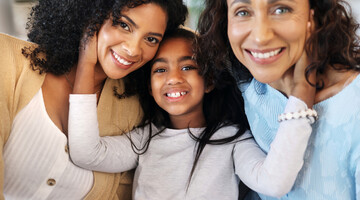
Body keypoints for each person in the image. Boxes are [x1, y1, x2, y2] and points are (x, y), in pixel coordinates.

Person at [0, 0, 188, 199]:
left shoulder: (133, 111)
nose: (133, 49)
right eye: (123, 24)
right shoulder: (6, 60)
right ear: (91, 12)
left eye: (151, 39)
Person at [68, 27, 317, 199]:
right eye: (160, 70)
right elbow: (86, 153)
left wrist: (302, 94)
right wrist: (86, 64)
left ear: (209, 82)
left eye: (188, 66)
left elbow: (274, 183)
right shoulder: (145, 140)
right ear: (150, 88)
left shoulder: (232, 139)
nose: (173, 78)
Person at [196, 0, 360, 199]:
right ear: (225, 22)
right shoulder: (244, 84)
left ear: (315, 16)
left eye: (281, 9)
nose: (261, 36)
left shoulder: (353, 106)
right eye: (243, 12)